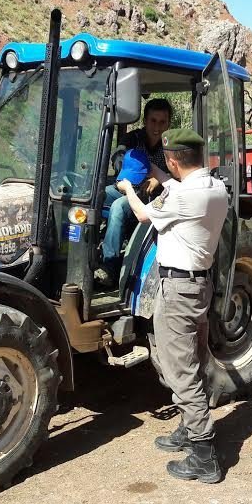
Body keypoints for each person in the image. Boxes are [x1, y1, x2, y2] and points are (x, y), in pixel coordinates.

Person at [117, 128, 228, 483]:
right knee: (192, 359)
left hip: (177, 290)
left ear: (174, 159)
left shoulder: (182, 198)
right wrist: (158, 172)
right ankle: (187, 426)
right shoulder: (214, 187)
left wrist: (129, 189)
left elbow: (142, 215)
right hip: (198, 284)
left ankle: (203, 452)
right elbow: (175, 186)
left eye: (168, 162)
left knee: (179, 369)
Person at [95, 98, 172, 288]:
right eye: (153, 121)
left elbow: (181, 170)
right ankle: (88, 253)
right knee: (95, 197)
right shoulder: (133, 139)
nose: (157, 127)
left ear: (168, 123)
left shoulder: (171, 145)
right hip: (125, 188)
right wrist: (122, 170)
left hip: (152, 199)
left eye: (162, 122)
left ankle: (109, 267)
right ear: (145, 121)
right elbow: (118, 154)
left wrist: (159, 179)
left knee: (118, 207)